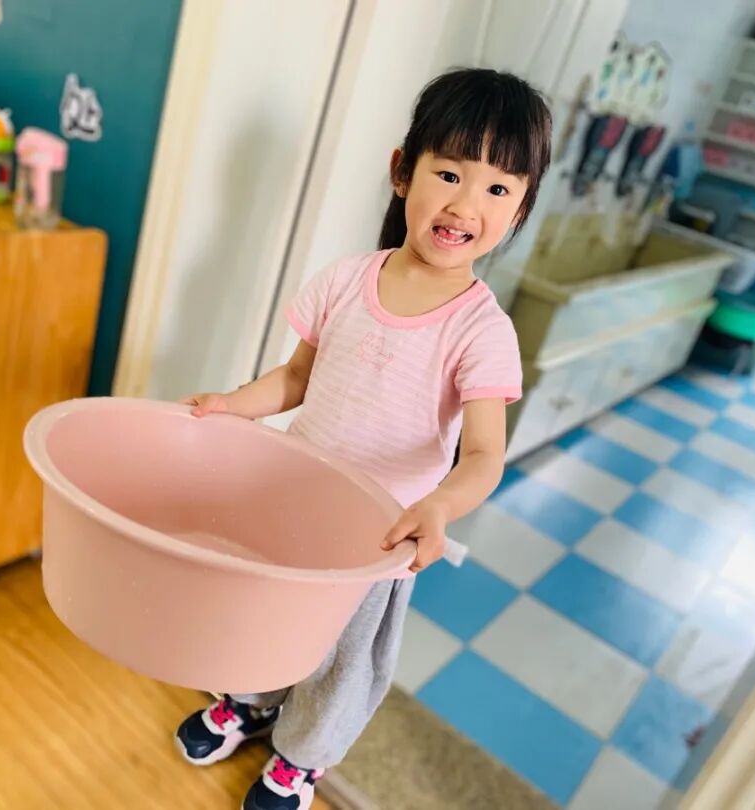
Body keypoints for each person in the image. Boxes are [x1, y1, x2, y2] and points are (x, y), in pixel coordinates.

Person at [176, 67, 553, 810]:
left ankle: (300, 759)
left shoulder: (482, 332)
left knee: (339, 662)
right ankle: (248, 703)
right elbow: (296, 377)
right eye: (449, 174)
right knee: (266, 618)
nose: (465, 204)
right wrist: (232, 406)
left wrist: (440, 506)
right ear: (402, 171)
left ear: (520, 209)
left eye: (497, 188)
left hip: (379, 540)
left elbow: (483, 455)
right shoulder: (346, 280)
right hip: (291, 503)